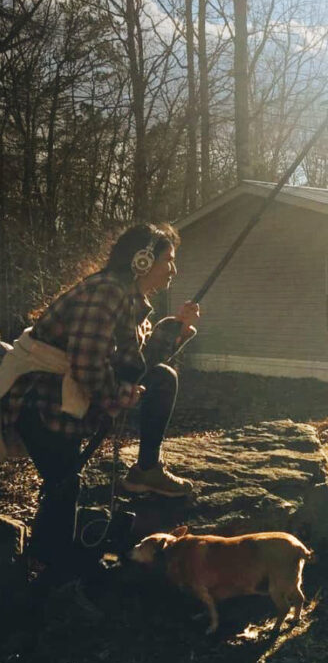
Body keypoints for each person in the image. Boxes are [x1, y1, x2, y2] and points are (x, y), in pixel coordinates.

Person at [0, 223, 200, 586]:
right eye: (168, 259)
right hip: (39, 396)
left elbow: (137, 366)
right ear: (142, 259)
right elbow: (88, 362)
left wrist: (177, 329)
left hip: (67, 395)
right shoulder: (107, 292)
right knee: (64, 482)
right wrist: (118, 396)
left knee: (162, 378)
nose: (173, 269)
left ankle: (145, 470)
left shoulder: (135, 302)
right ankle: (55, 577)